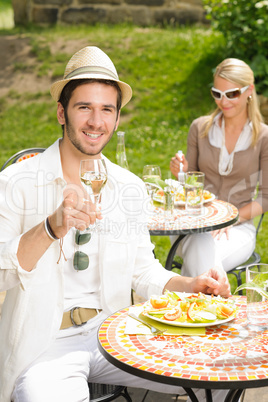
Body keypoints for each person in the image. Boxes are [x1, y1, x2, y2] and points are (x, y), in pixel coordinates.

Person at [0, 46, 231, 402]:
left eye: (106, 109)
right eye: (84, 108)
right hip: (44, 346)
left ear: (118, 118)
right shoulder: (17, 182)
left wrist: (190, 285)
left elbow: (143, 271)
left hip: (117, 335)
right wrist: (49, 228)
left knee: (218, 374)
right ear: (62, 112)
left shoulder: (128, 187)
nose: (96, 121)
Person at [170, 58, 268, 278]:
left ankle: (187, 305)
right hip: (193, 223)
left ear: (249, 90)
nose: (223, 102)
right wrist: (182, 174)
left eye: (232, 94)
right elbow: (190, 189)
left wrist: (229, 219)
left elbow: (266, 198)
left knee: (200, 253)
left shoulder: (263, 137)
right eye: (217, 94)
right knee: (200, 246)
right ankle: (216, 307)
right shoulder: (200, 128)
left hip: (237, 228)